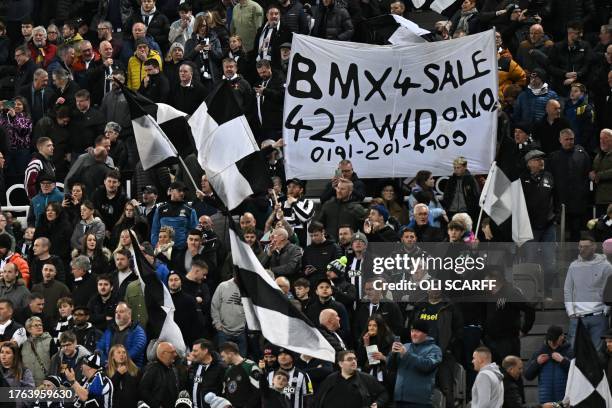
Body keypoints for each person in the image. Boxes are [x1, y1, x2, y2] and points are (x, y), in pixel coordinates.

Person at [564, 236, 612, 350]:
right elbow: (568, 289)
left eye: (585, 247)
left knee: (599, 354)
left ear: (594, 247)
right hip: (577, 317)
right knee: (574, 352)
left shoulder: (606, 266)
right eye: (580, 247)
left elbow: (609, 291)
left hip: (598, 316)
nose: (582, 250)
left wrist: (605, 311)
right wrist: (570, 312)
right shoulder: (574, 266)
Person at [387, 321, 443, 408]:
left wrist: (406, 355)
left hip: (420, 401)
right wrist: (392, 354)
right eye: (412, 331)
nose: (414, 334)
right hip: (399, 400)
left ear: (425, 333)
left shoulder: (435, 350)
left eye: (417, 331)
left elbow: (427, 366)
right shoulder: (405, 346)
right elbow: (390, 367)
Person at [524, 325, 572, 404]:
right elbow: (528, 375)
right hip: (546, 401)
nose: (552, 344)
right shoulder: (539, 352)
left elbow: (578, 374)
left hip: (564, 400)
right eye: (550, 341)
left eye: (554, 341)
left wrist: (563, 361)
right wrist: (537, 362)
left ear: (562, 337)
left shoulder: (569, 352)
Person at [97, 302, 147, 368]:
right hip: (108, 368)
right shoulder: (110, 330)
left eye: (121, 312)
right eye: (116, 312)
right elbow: (99, 348)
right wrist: (106, 361)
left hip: (129, 371)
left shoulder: (138, 331)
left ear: (129, 314)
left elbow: (136, 350)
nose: (117, 314)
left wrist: (114, 362)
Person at [151, 181, 198, 250]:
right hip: (164, 251)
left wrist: (186, 247)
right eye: (179, 190)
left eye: (183, 191)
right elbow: (155, 231)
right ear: (171, 191)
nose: (182, 193)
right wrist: (157, 246)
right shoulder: (160, 209)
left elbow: (194, 231)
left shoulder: (190, 210)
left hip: (182, 251)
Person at [211, 275, 247, 356]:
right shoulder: (223, 286)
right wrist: (217, 324)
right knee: (224, 361)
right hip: (224, 331)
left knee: (241, 363)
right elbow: (214, 306)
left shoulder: (248, 288)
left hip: (241, 331)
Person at [220, 341, 262, 407]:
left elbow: (258, 391)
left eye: (223, 356)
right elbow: (225, 392)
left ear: (230, 354)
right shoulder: (228, 370)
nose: (222, 359)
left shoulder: (250, 366)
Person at [253, 59, 285, 142]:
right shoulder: (259, 81)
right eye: (260, 73)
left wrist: (265, 91)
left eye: (264, 72)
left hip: (276, 126)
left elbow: (282, 96)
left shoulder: (279, 78)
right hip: (262, 126)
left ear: (269, 68)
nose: (262, 75)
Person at [188, 338, 227, 407]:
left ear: (205, 351)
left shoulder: (220, 368)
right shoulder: (194, 366)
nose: (192, 353)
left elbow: (226, 391)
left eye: (195, 351)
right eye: (192, 350)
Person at [31, 262, 70, 326]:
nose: (48, 272)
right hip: (38, 324)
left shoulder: (63, 288)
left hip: (56, 324)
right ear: (42, 271)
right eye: (45, 269)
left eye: (51, 270)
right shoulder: (35, 288)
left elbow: (66, 309)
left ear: (55, 273)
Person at [107, 344, 141, 408]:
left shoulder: (135, 370)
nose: (122, 355)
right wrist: (118, 374)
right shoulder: (107, 371)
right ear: (112, 356)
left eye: (124, 352)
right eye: (118, 352)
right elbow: (108, 389)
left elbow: (139, 391)